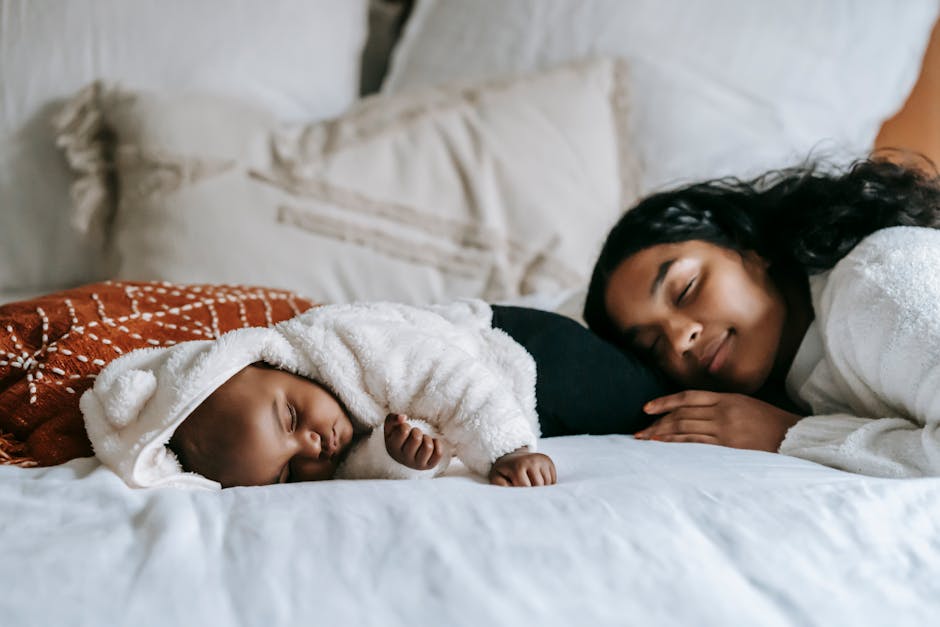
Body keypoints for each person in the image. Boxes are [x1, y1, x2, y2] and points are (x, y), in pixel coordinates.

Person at [583, 156, 940, 478]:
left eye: (685, 289)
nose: (679, 340)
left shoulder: (878, 282)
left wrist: (787, 434)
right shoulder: (798, 375)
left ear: (748, 247)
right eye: (653, 345)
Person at [82, 299, 664, 489]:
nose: (313, 448)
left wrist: (507, 450)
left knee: (652, 394)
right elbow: (366, 464)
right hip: (509, 394)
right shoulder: (323, 447)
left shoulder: (346, 344)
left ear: (270, 361)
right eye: (289, 472)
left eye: (290, 417)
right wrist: (403, 456)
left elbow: (447, 379)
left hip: (520, 351)